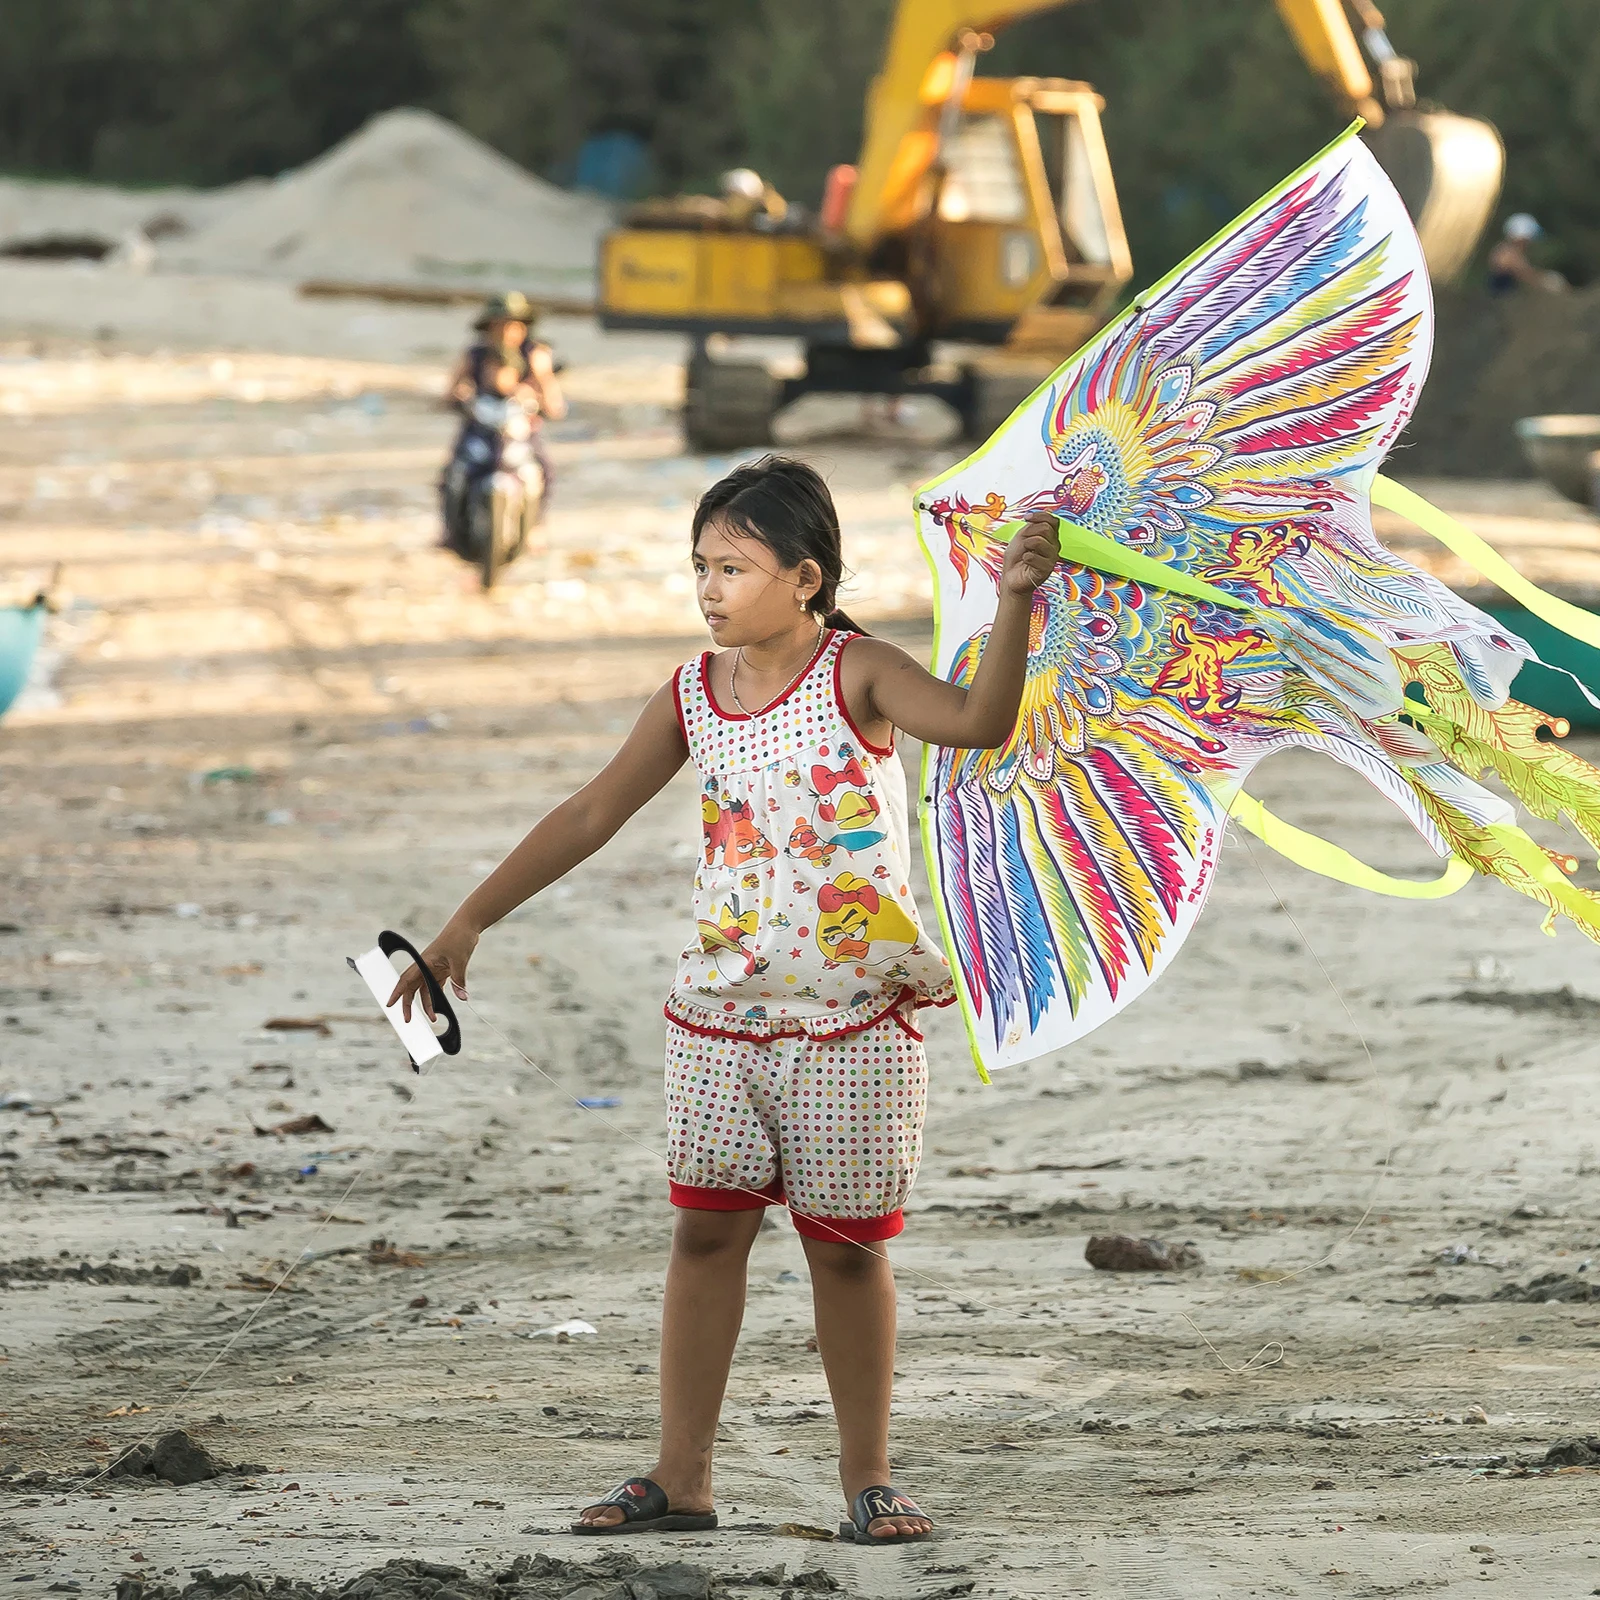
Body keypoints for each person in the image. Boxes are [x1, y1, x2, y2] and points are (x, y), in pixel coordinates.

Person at [390, 455, 1059, 1543]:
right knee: (705, 1238)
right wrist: (468, 920)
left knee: (845, 1248)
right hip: (718, 1017)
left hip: (853, 1016)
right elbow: (590, 812)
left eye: (732, 567)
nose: (707, 589)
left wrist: (1017, 599)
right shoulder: (692, 693)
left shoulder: (862, 673)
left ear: (804, 577)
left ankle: (869, 1480)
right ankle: (680, 1476)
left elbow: (981, 721)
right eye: (699, 565)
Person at [441, 291, 566, 547]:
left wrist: (539, 401)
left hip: (518, 426)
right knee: (454, 471)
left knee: (543, 470)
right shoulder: (475, 354)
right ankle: (450, 530)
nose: (506, 331)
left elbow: (552, 398)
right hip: (481, 424)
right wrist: (461, 396)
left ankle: (536, 526)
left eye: (512, 325)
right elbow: (453, 389)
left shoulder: (535, 355)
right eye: (500, 325)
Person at [1486, 214, 1566, 296]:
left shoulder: (1511, 252)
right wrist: (1547, 281)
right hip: (1500, 301)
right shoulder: (1506, 254)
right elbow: (1524, 274)